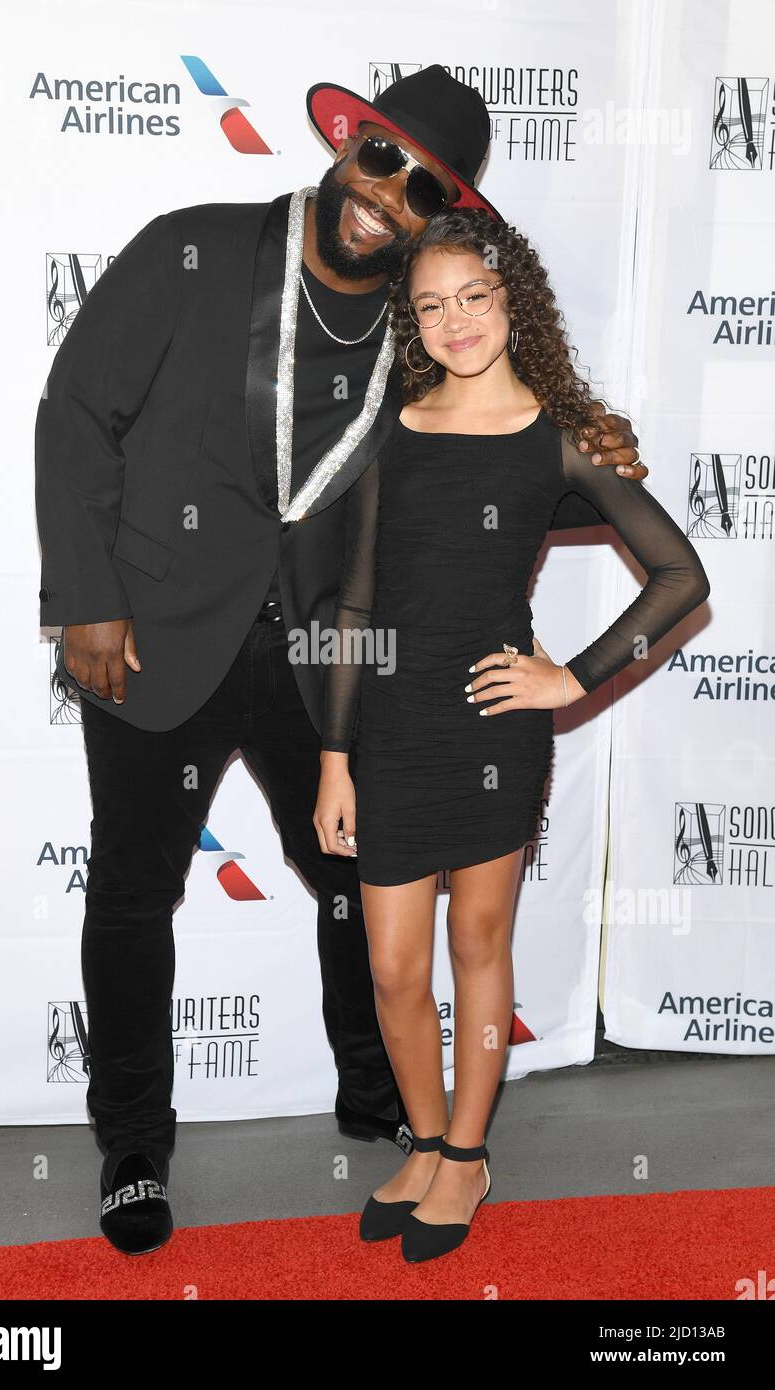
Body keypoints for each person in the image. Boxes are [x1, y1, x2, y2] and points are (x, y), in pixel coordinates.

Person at [35, 64, 647, 1256]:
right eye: (381, 158)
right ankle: (131, 1143)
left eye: (421, 188)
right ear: (345, 146)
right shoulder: (192, 250)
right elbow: (74, 410)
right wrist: (88, 597)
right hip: (156, 636)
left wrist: (593, 444)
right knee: (131, 893)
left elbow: (473, 469)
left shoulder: (417, 331)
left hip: (329, 657)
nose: (387, 195)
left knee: (355, 884)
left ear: (437, 217)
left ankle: (387, 1109)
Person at [314, 208, 710, 1264]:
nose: (454, 322)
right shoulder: (389, 427)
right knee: (393, 966)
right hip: (389, 729)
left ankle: (469, 1153)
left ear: (510, 301)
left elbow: (682, 580)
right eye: (431, 306)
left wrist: (571, 679)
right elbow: (355, 604)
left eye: (473, 298)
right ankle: (428, 1135)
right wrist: (334, 756)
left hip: (493, 725)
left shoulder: (563, 438)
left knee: (475, 944)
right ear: (413, 320)